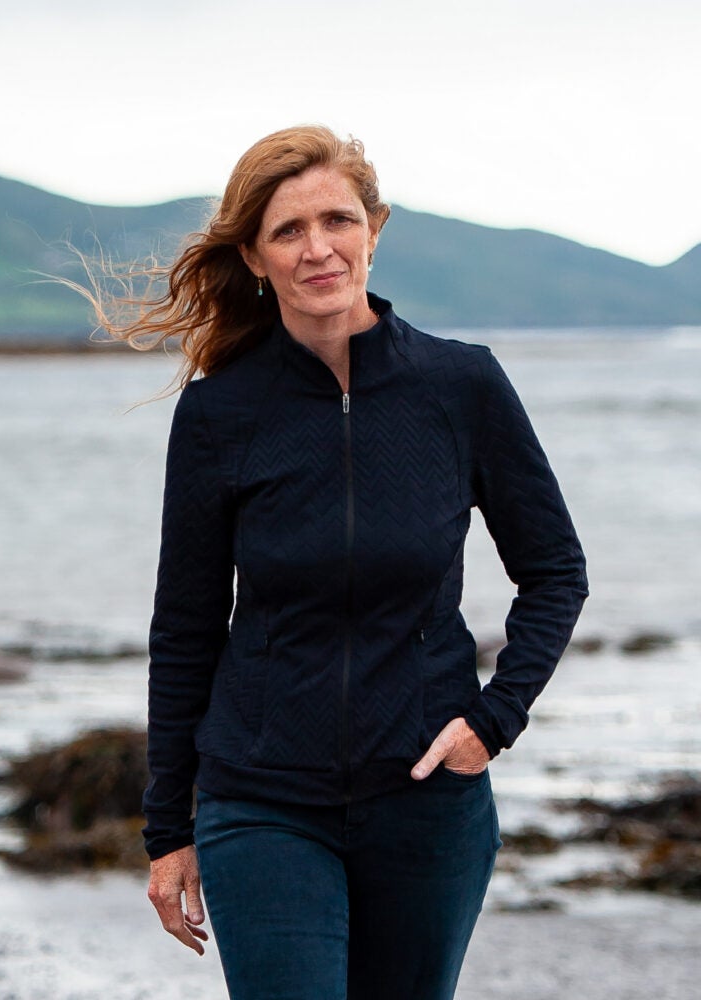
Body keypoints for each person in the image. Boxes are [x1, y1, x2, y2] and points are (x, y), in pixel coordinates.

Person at [104, 125, 588, 1000]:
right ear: (254, 254)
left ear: (375, 228)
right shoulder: (220, 416)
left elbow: (555, 570)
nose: (318, 247)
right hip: (261, 801)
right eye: (288, 230)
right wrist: (166, 828)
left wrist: (494, 719)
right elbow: (184, 628)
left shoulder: (461, 387)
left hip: (427, 798)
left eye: (337, 220)